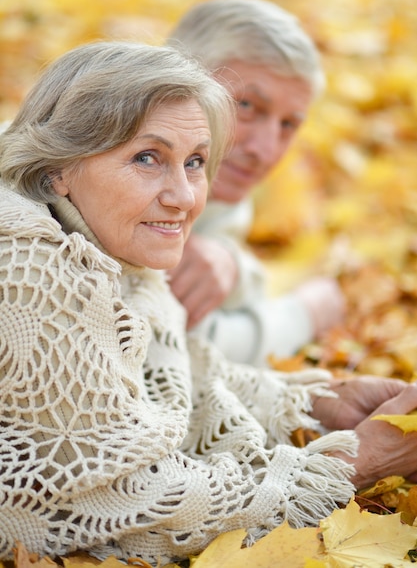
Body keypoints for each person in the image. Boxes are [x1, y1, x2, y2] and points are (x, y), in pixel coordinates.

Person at [2, 41, 417, 567]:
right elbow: (126, 503)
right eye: (147, 158)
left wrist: (318, 406)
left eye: (194, 161)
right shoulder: (30, 265)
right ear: (59, 167)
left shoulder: (109, 245)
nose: (183, 196)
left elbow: (175, 376)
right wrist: (356, 463)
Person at [166, 0, 346, 366]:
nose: (264, 150)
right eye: (246, 106)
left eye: (288, 124)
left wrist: (231, 266)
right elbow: (186, 355)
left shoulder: (215, 179)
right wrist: (307, 313)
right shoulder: (114, 178)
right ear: (175, 79)